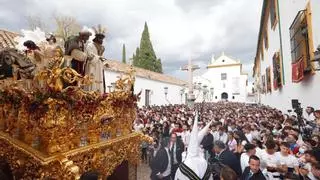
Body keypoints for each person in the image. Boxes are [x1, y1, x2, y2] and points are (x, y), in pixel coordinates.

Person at [85, 25, 107, 93]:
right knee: (92, 80)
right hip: (92, 65)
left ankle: (99, 95)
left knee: (100, 81)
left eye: (102, 39)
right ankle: (90, 94)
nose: (101, 40)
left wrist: (105, 63)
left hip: (99, 66)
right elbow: (89, 55)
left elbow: (101, 57)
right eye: (100, 38)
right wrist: (98, 57)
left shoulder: (102, 48)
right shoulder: (90, 45)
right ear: (96, 38)